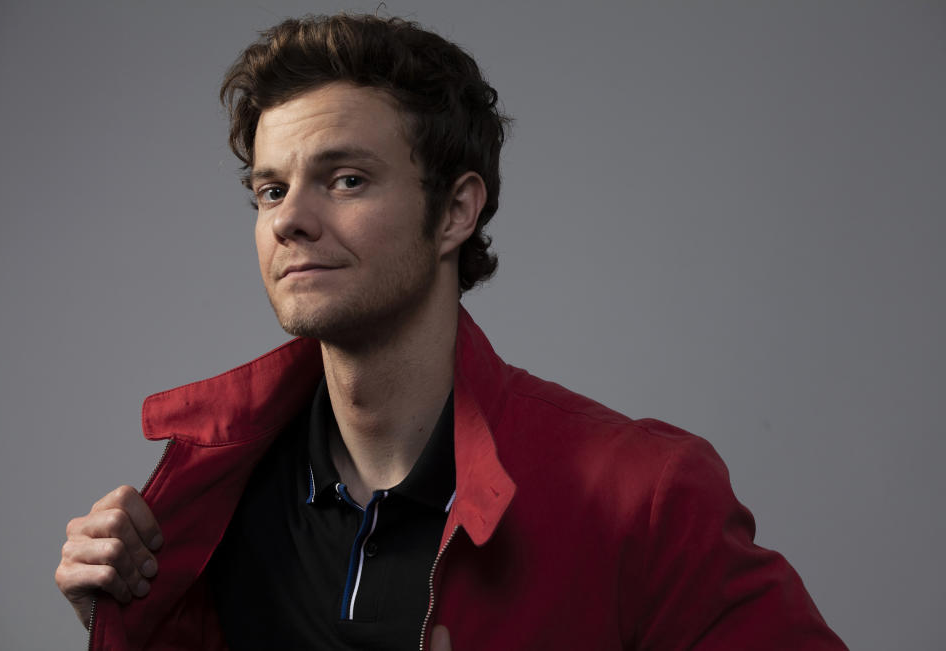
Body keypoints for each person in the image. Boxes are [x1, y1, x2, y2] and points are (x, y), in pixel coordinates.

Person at [55, 14, 848, 651]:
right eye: (269, 190)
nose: (291, 220)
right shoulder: (211, 501)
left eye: (346, 179)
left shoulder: (642, 497)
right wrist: (131, 623)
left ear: (456, 212)